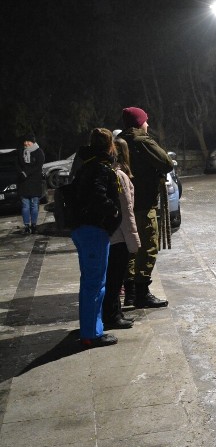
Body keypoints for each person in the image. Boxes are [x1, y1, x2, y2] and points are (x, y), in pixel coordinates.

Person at [71, 128, 123, 347]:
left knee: (89, 282)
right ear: (110, 146)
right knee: (95, 283)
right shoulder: (99, 168)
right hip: (94, 230)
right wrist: (114, 212)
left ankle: (89, 329)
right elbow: (98, 195)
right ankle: (92, 334)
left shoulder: (85, 164)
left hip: (83, 229)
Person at [118, 107, 173, 309]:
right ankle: (142, 293)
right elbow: (167, 163)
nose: (148, 124)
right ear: (139, 122)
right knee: (148, 246)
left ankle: (130, 293)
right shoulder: (143, 141)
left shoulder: (119, 141)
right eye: (145, 121)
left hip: (125, 205)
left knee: (130, 249)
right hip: (144, 203)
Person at [103, 137, 140, 330]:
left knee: (112, 278)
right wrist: (133, 238)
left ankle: (114, 313)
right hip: (119, 236)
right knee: (115, 278)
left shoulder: (107, 173)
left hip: (109, 235)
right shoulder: (120, 176)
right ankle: (112, 315)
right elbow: (127, 210)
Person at [16, 133, 45, 235]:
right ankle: (27, 226)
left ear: (33, 142)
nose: (26, 143)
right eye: (25, 141)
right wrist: (21, 173)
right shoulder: (20, 152)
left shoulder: (39, 152)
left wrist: (26, 173)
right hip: (24, 183)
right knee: (25, 206)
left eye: (28, 141)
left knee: (34, 205)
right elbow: (17, 165)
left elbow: (38, 166)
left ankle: (34, 225)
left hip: (35, 182)